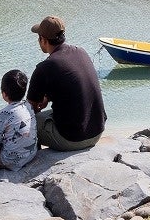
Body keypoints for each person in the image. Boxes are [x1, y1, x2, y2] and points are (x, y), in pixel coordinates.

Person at [27, 16, 106, 151]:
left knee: (27, 122)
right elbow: (71, 84)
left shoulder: (45, 67)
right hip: (97, 132)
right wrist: (48, 97)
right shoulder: (81, 52)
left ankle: (31, 161)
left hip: (73, 139)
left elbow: (31, 107)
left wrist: (39, 103)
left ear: (43, 40)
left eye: (38, 37)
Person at [0, 69, 38, 170]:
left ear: (4, 94)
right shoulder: (28, 105)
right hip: (31, 154)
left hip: (10, 161)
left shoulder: (3, 114)